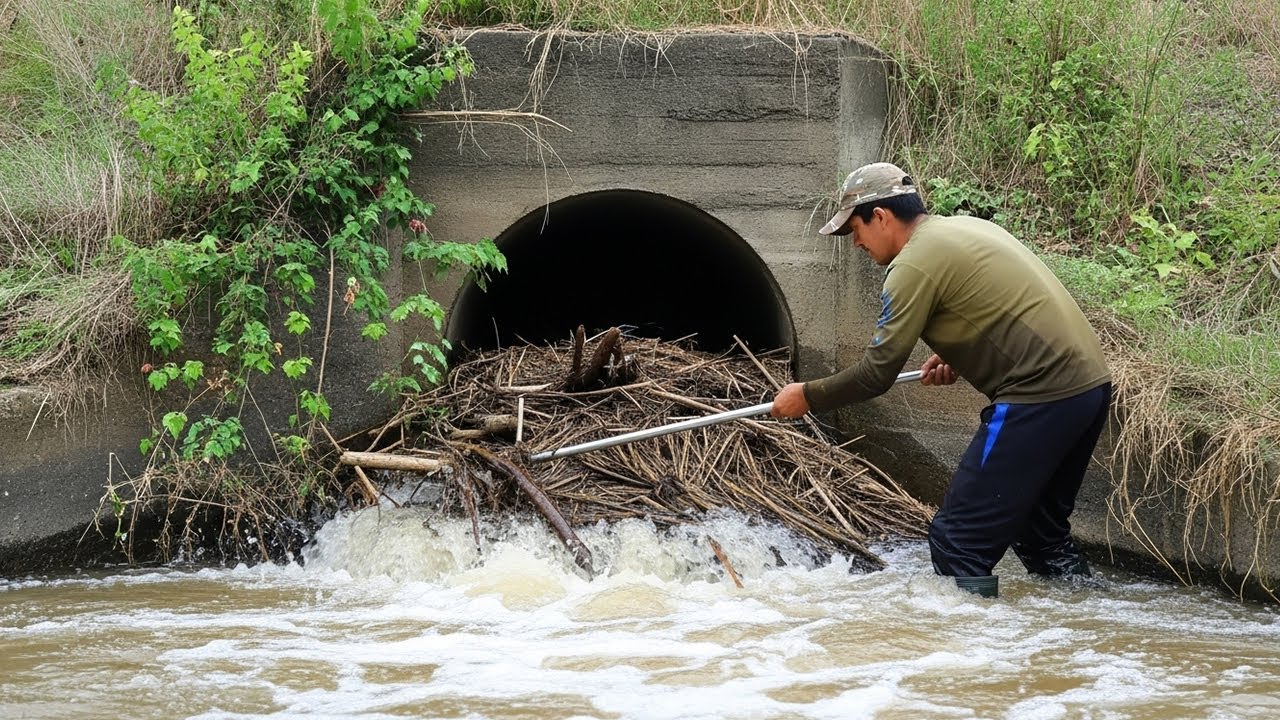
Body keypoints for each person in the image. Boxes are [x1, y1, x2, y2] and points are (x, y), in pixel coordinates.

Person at [770, 162, 1112, 598]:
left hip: (1038, 397)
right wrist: (958, 350)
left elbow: (877, 374)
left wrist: (808, 395)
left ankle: (971, 660)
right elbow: (995, 305)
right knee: (1040, 533)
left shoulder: (913, 265)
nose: (854, 242)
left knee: (958, 543)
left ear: (881, 216)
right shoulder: (965, 228)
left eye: (854, 228)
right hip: (1088, 389)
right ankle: (1087, 626)